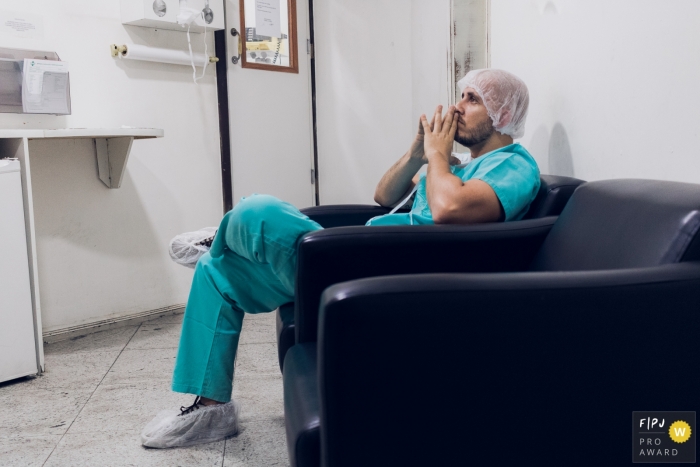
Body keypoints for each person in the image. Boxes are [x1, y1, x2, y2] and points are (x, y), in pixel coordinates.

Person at [141, 69, 540, 448]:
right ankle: (211, 413)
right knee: (217, 274)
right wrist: (418, 153)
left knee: (257, 210)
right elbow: (383, 197)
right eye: (461, 95)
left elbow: (450, 211)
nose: (456, 106)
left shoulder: (516, 165)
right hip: (355, 254)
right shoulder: (459, 167)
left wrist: (438, 158)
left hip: (381, 271)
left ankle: (220, 236)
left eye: (472, 99)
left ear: (503, 114)